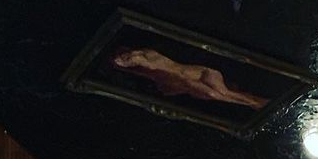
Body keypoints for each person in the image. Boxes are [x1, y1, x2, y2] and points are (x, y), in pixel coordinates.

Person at [110, 47, 270, 109]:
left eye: (124, 56)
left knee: (221, 94)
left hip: (204, 74)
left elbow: (137, 59)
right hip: (190, 82)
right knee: (215, 95)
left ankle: (255, 103)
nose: (124, 59)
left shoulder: (149, 57)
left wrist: (123, 60)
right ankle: (254, 102)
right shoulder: (152, 75)